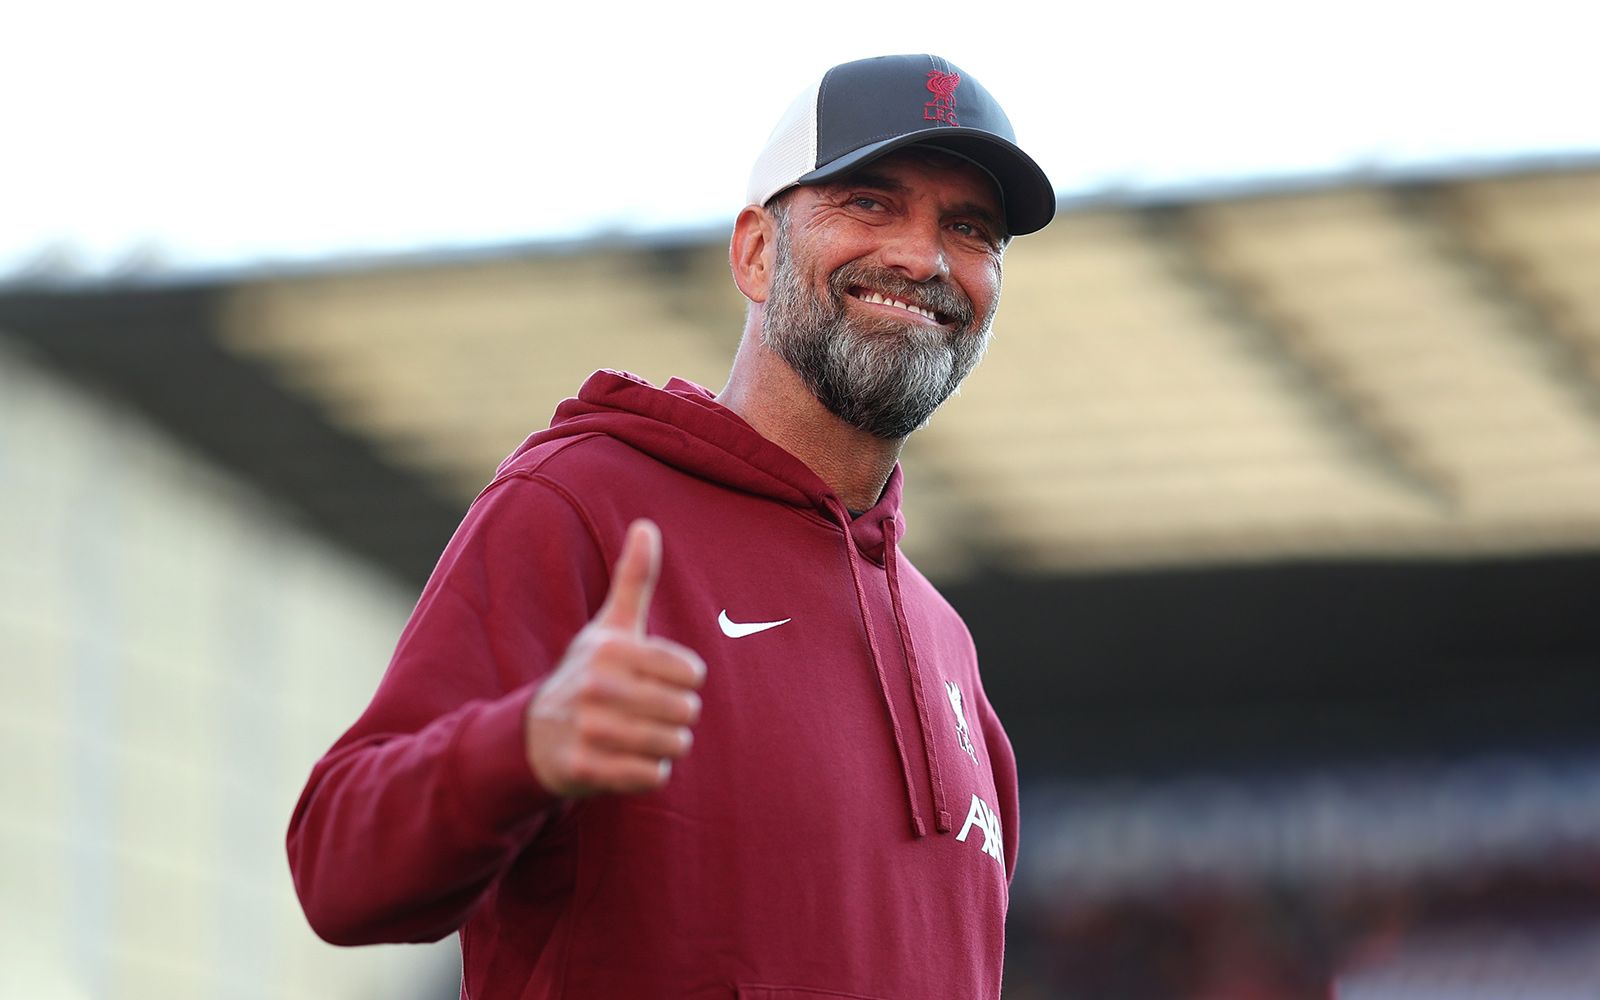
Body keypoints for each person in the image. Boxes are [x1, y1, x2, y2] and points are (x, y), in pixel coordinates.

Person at [287, 53, 1056, 1000]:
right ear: (756, 253)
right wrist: (522, 745)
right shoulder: (585, 504)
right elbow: (337, 872)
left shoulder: (946, 645)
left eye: (971, 229)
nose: (922, 257)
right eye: (868, 202)